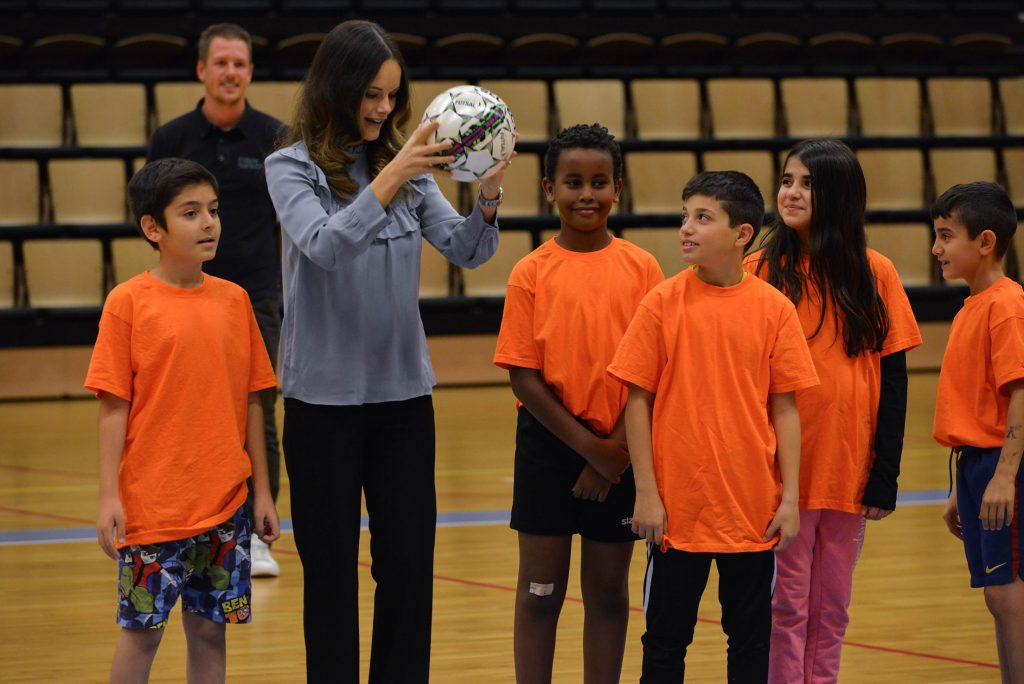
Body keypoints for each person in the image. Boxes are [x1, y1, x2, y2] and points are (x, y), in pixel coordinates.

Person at [262, 19, 508, 683]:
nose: (382, 110)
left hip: (404, 403)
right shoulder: (288, 167)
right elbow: (324, 246)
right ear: (338, 89)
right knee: (332, 574)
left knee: (406, 567)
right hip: (322, 406)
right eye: (371, 94)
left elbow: (466, 250)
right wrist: (392, 176)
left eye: (393, 97)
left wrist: (487, 195)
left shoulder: (411, 171)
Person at [608, 171, 819, 683]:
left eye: (703, 218)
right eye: (685, 216)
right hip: (677, 513)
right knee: (663, 642)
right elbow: (637, 401)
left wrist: (790, 497)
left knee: (749, 642)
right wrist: (647, 494)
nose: (686, 228)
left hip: (752, 512)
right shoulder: (661, 302)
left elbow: (785, 408)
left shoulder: (774, 309)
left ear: (742, 234)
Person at [86, 158, 280, 683]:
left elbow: (252, 403)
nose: (209, 223)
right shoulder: (126, 303)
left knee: (211, 632)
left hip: (225, 507)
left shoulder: (235, 300)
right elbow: (112, 407)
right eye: (190, 213)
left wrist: (261, 492)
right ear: (153, 227)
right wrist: (110, 498)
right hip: (153, 510)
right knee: (143, 634)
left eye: (213, 211)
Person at [744, 138, 922, 683]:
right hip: (782, 479)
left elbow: (893, 379)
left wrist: (884, 475)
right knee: (786, 606)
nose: (791, 192)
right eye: (788, 180)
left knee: (832, 606)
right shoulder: (757, 269)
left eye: (807, 183)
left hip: (849, 472)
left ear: (840, 196)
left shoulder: (877, 273)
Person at [493, 123, 664, 683]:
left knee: (609, 596)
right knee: (540, 595)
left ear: (618, 188)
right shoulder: (530, 272)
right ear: (548, 189)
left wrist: (613, 452)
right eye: (572, 182)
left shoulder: (643, 270)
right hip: (551, 446)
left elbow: (652, 371)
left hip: (622, 442)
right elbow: (523, 378)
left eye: (599, 181)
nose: (586, 194)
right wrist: (593, 451)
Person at [146, 23, 285, 578]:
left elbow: (289, 223)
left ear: (250, 72)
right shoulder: (171, 139)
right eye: (222, 63)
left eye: (241, 64)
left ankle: (254, 533)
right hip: (185, 297)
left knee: (259, 411)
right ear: (202, 69)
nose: (232, 72)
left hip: (255, 297)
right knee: (186, 410)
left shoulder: (275, 137)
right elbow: (153, 220)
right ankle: (187, 523)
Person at [931, 181, 1024, 683]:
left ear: (985, 242)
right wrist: (958, 488)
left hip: (1000, 466)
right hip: (975, 465)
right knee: (998, 595)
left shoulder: (1006, 306)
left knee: (1009, 593)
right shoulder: (974, 305)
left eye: (947, 236)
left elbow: (1021, 393)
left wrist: (1004, 476)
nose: (936, 248)